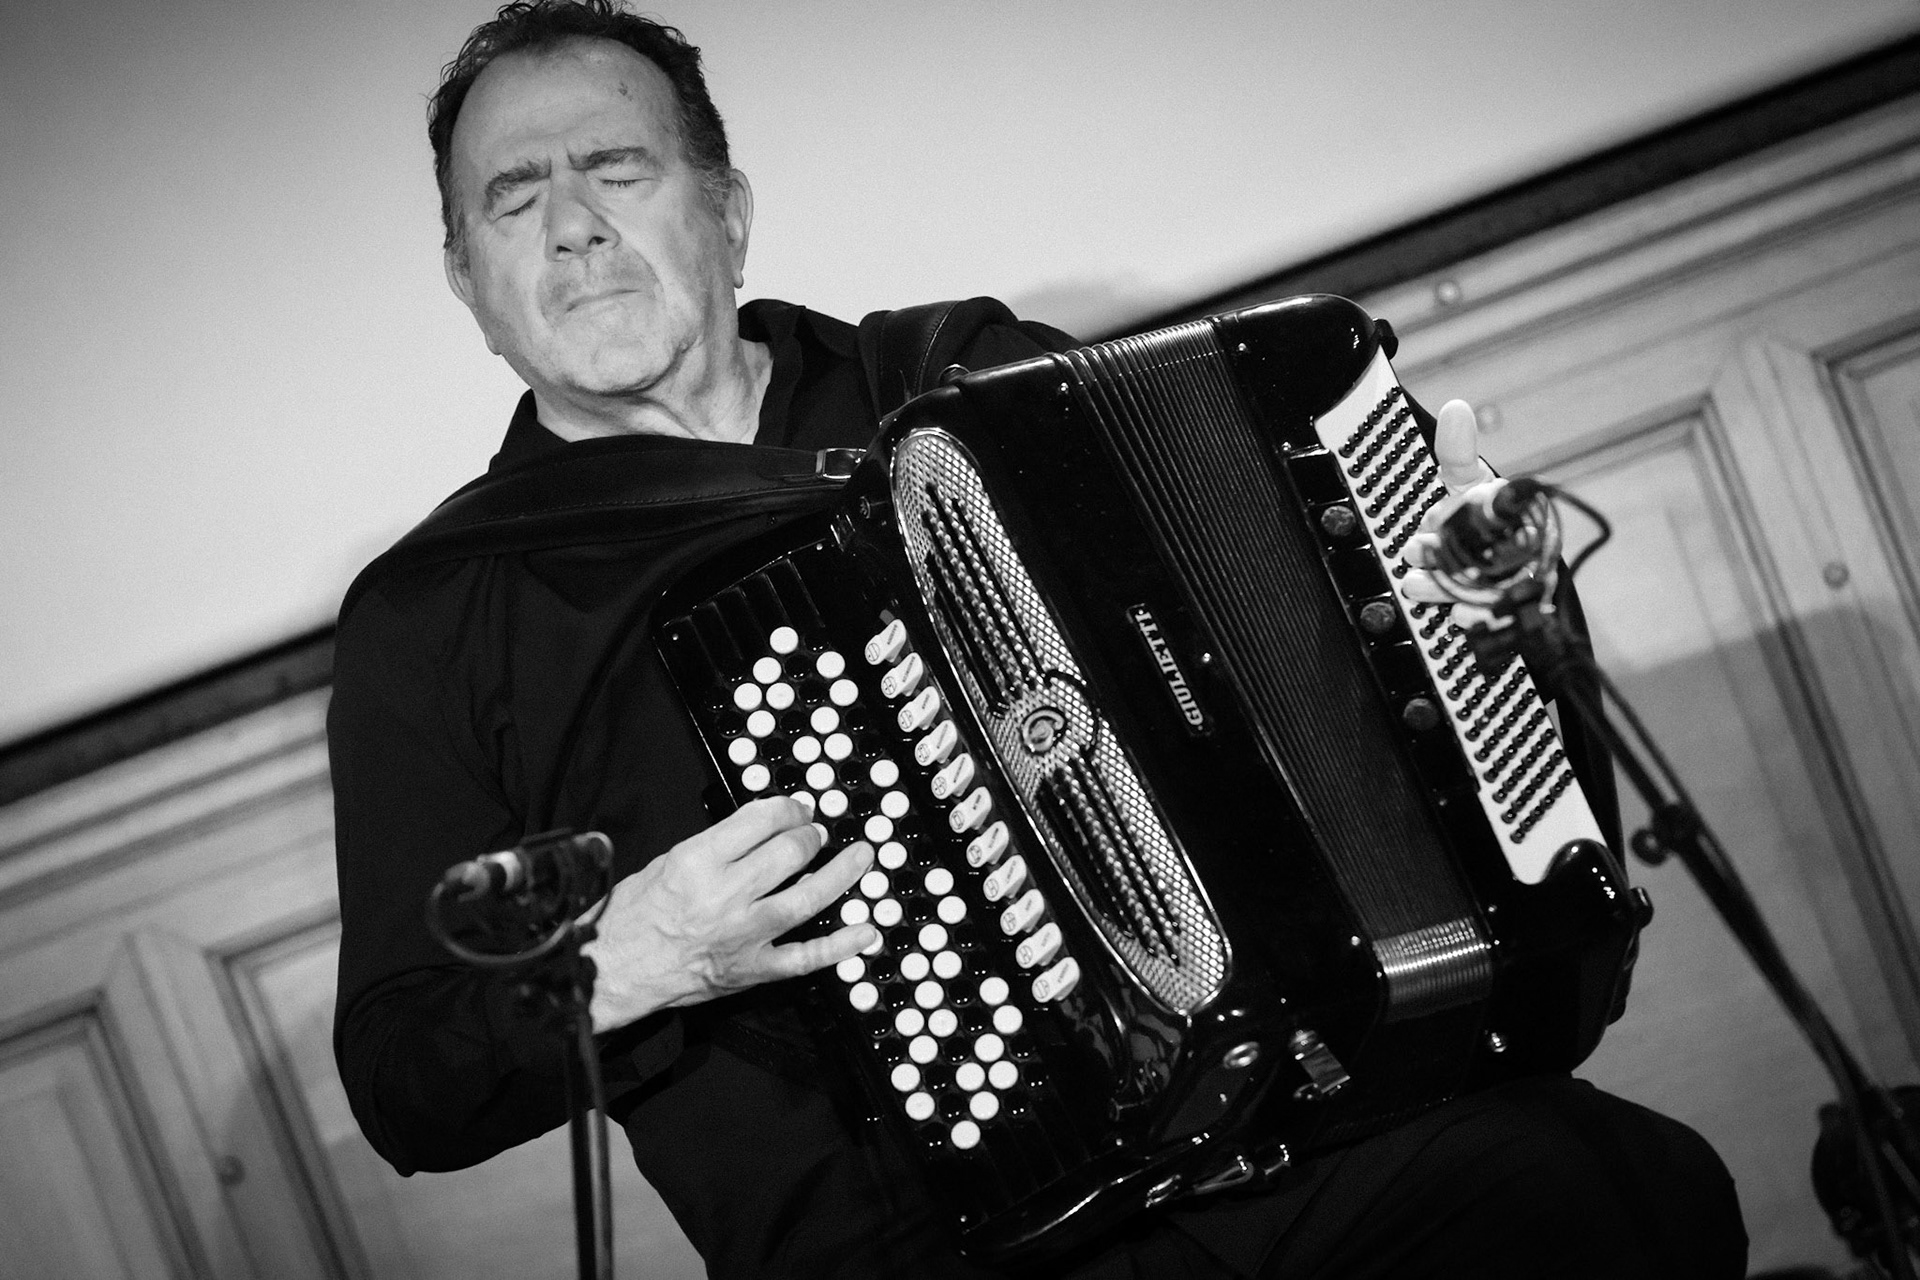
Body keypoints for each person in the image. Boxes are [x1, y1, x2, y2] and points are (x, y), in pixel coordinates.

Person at [328, 3, 1749, 1275]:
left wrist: (1423, 597)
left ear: (728, 210)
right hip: (922, 1248)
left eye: (616, 170)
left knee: (1607, 1192)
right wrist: (630, 962)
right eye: (514, 200)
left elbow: (1281, 655)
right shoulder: (439, 619)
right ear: (467, 279)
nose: (572, 224)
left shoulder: (961, 379)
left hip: (1281, 1124)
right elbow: (404, 1080)